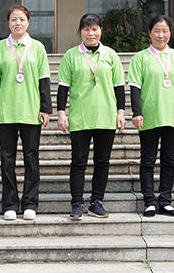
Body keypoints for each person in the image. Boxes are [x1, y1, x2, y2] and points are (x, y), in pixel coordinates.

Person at [57, 13, 126, 221]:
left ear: (101, 31)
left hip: (106, 116)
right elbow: (62, 88)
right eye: (86, 29)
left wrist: (121, 111)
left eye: (94, 28)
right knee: (78, 162)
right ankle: (77, 203)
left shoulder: (111, 55)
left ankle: (97, 202)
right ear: (81, 31)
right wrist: (61, 113)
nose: (91, 33)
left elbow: (119, 86)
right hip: (80, 117)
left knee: (102, 162)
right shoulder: (71, 55)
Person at [0, 4, 52, 221]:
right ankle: (10, 204)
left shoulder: (38, 47)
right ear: (8, 23)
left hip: (31, 111)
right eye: (14, 19)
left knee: (31, 158)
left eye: (22, 19)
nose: (18, 23)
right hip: (6, 111)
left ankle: (30, 203)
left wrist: (45, 109)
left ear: (28, 22)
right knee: (7, 160)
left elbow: (44, 80)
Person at [128, 15, 174, 218]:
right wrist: (137, 112)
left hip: (173, 115)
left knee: (169, 160)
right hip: (149, 115)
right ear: (149, 33)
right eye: (156, 30)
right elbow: (135, 87)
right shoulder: (140, 57)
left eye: (165, 31)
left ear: (170, 33)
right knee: (147, 160)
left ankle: (165, 201)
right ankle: (149, 201)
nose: (161, 35)